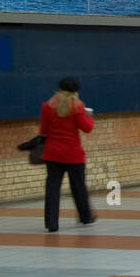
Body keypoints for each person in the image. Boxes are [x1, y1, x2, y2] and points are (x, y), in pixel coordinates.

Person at [39, 76, 96, 232]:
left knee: (52, 189)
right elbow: (87, 128)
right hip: (73, 154)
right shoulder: (77, 107)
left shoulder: (47, 106)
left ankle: (51, 224)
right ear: (76, 91)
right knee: (78, 187)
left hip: (52, 154)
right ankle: (85, 217)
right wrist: (89, 117)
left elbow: (43, 131)